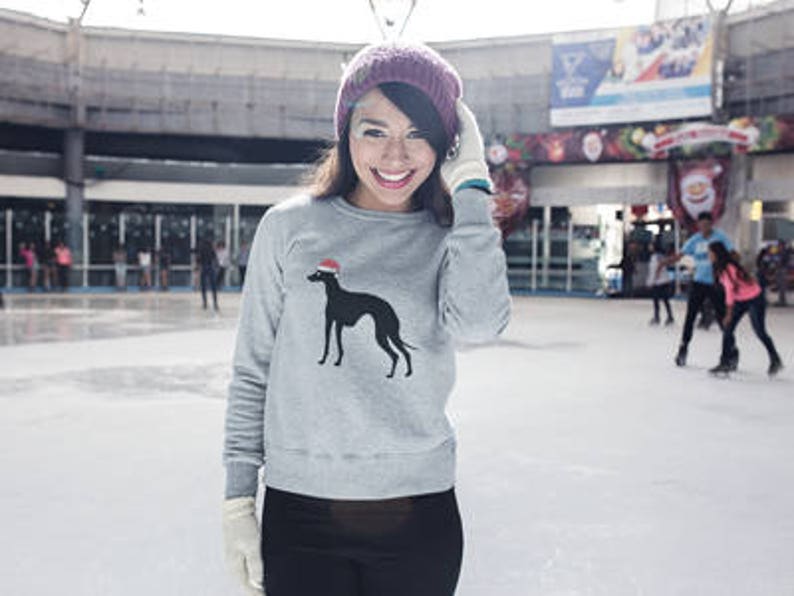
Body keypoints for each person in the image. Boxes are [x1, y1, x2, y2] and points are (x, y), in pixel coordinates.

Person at [222, 41, 510, 596]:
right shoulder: (288, 229)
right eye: (374, 131)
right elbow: (253, 370)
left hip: (419, 513)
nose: (395, 156)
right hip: (300, 513)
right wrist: (237, 499)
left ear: (446, 143)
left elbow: (480, 324)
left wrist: (473, 185)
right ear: (345, 132)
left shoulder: (448, 235)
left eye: (418, 134)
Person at [662, 212, 733, 367]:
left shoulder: (720, 237)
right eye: (701, 225)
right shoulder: (695, 239)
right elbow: (681, 255)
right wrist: (665, 262)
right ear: (698, 225)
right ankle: (683, 349)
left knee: (722, 318)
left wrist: (733, 268)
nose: (704, 227)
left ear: (711, 224)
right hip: (699, 282)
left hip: (716, 283)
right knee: (690, 316)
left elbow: (732, 253)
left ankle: (731, 350)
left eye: (707, 224)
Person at [708, 241, 783, 376]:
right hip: (740, 299)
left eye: (710, 253)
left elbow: (730, 291)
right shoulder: (719, 267)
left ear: (717, 253)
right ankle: (725, 362)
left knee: (760, 331)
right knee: (728, 329)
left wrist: (728, 313)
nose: (709, 255)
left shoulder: (727, 268)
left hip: (754, 298)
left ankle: (775, 359)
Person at [647, 240, 674, 325]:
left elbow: (658, 267)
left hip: (659, 281)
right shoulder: (657, 256)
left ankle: (658, 317)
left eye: (650, 245)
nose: (649, 247)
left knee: (658, 300)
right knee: (664, 300)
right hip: (662, 280)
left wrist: (653, 279)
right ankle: (668, 316)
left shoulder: (657, 256)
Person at [197, 238, 218, 311]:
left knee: (203, 286)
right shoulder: (211, 250)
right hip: (210, 267)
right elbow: (214, 258)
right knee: (213, 287)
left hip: (204, 268)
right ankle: (215, 303)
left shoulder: (201, 250)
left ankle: (205, 303)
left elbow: (199, 260)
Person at [774, 240, 790, 306]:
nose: (778, 246)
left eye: (779, 245)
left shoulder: (784, 252)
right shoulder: (781, 252)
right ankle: (781, 300)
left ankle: (782, 301)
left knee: (782, 286)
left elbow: (781, 261)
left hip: (782, 270)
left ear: (782, 245)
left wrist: (777, 265)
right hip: (781, 270)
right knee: (780, 286)